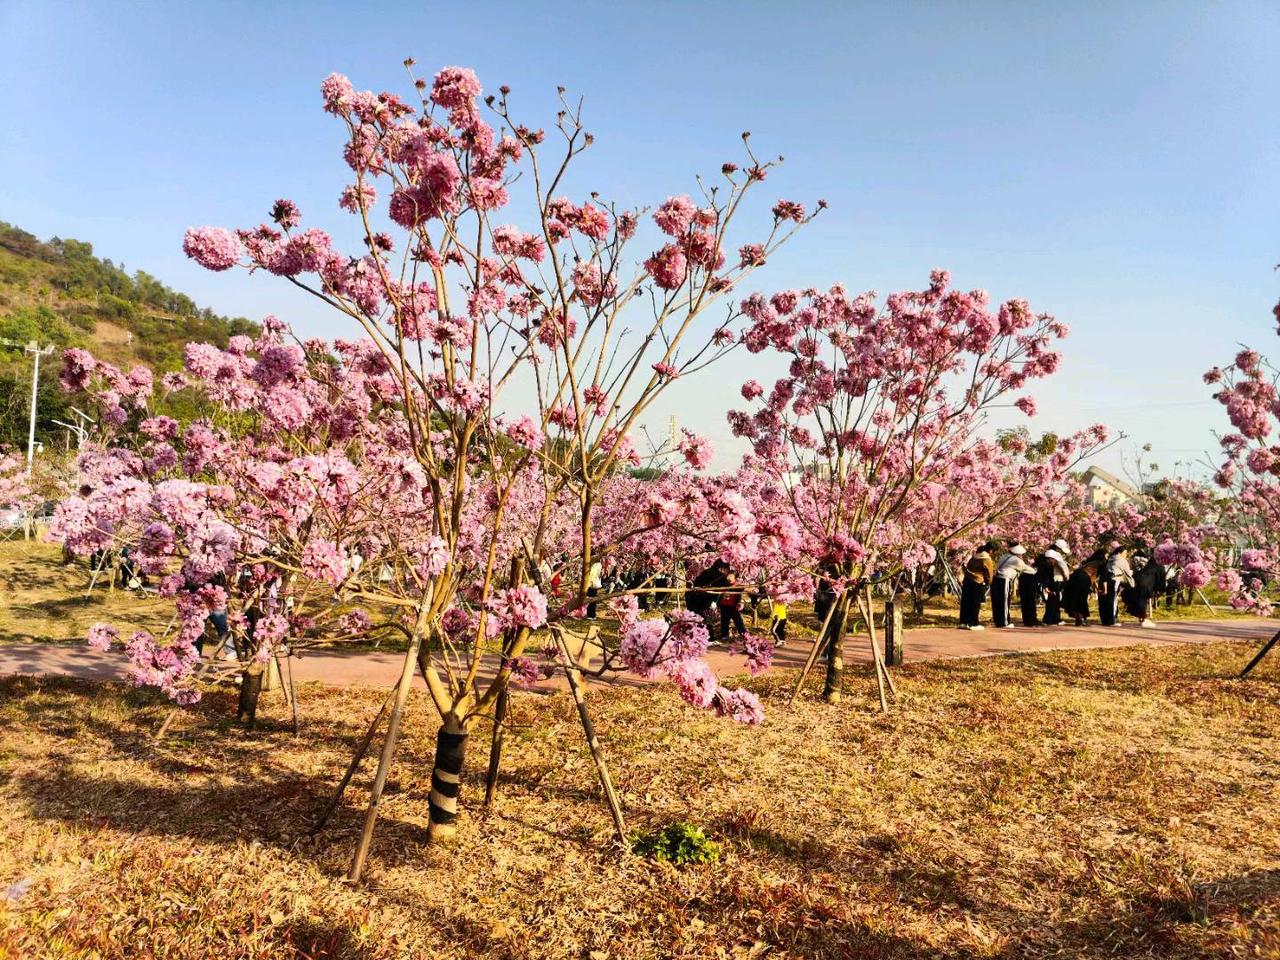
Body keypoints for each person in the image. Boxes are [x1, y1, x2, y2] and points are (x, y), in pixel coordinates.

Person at [993, 543, 1035, 628]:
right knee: (1004, 601)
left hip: (996, 579)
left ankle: (999, 621)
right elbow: (1026, 569)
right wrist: (1035, 570)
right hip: (1004, 580)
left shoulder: (1004, 556)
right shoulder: (1015, 560)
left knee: (998, 602)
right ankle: (1004, 622)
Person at [1063, 549, 1107, 626]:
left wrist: (1096, 589)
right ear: (1103, 555)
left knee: (1074, 598)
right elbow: (1103, 578)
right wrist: (1104, 589)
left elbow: (1093, 578)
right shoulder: (1102, 563)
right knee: (1082, 599)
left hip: (1075, 576)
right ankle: (1081, 618)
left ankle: (1078, 617)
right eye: (1107, 554)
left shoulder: (1090, 561)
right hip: (1084, 579)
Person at [959, 542, 997, 630]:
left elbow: (967, 567)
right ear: (990, 550)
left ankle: (963, 622)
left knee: (965, 602)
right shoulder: (986, 559)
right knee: (975, 603)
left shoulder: (973, 557)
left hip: (967, 580)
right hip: (977, 582)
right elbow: (989, 574)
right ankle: (973, 623)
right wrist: (988, 582)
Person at [1124, 549, 1166, 627]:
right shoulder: (1159, 565)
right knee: (1143, 601)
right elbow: (1161, 579)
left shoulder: (1149, 564)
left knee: (1140, 600)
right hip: (1145, 584)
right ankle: (1143, 620)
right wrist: (1161, 590)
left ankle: (1141, 619)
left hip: (1136, 581)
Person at [686, 558, 729, 636]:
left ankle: (697, 634)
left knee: (697, 616)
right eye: (727, 569)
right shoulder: (720, 576)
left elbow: (696, 582)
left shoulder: (706, 571)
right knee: (703, 617)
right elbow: (724, 588)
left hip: (694, 596)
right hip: (703, 598)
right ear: (722, 568)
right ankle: (708, 635)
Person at [1038, 539, 1072, 626]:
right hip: (1056, 580)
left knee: (1051, 600)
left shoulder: (1048, 554)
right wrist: (1066, 578)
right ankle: (1055, 619)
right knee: (1055, 600)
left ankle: (1048, 619)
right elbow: (1062, 567)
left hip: (1050, 580)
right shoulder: (1055, 555)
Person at [1098, 546, 1134, 626]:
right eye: (1125, 553)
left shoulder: (1109, 559)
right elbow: (1128, 573)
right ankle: (1112, 620)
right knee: (1112, 600)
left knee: (1104, 600)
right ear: (1119, 553)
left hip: (1104, 580)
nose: (1125, 555)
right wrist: (1132, 584)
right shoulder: (1122, 560)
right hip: (1114, 580)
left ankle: (1105, 620)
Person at [718, 570, 747, 641]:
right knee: (724, 621)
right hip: (724, 605)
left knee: (738, 621)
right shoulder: (725, 584)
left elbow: (746, 589)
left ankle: (744, 635)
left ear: (734, 577)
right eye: (728, 575)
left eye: (731, 576)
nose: (729, 577)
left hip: (733, 606)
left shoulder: (738, 585)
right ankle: (724, 636)